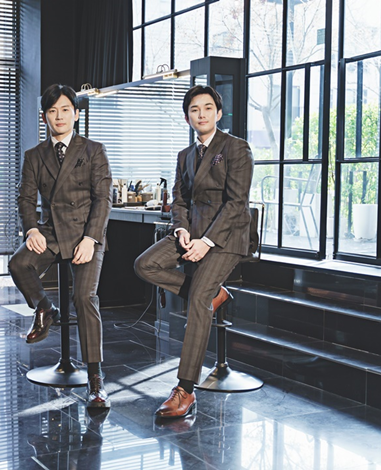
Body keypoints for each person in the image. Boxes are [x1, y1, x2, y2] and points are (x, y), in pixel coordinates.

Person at [134, 85, 254, 419]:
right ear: (187, 117)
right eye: (194, 110)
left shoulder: (236, 148)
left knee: (198, 298)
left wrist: (207, 241)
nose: (201, 114)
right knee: (145, 265)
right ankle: (215, 294)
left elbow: (236, 204)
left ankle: (185, 389)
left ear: (218, 113)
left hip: (226, 237)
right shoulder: (185, 155)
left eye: (207, 108)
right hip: (192, 232)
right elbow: (180, 200)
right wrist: (182, 229)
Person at [8, 84, 113, 407]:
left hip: (86, 233)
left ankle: (95, 379)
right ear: (44, 117)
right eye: (52, 111)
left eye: (65, 110)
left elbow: (103, 199)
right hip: (50, 231)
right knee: (18, 263)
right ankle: (45, 308)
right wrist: (31, 230)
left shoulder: (93, 150)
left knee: (84, 298)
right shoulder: (34, 155)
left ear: (76, 114)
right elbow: (25, 198)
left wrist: (91, 239)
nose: (59, 116)